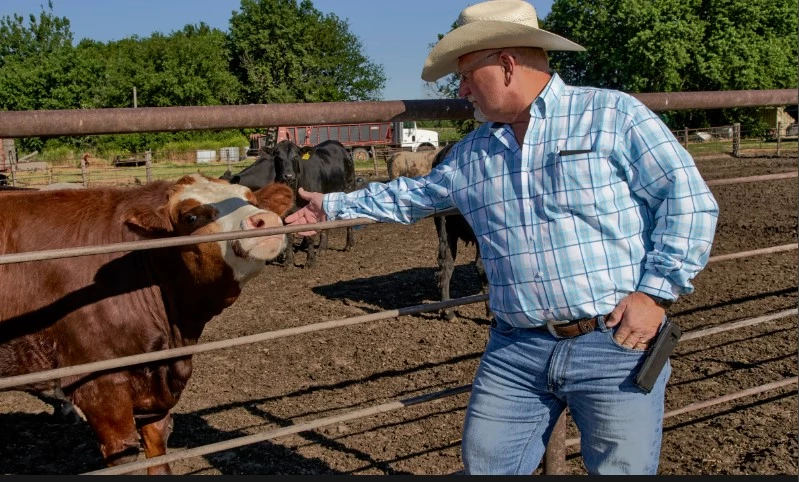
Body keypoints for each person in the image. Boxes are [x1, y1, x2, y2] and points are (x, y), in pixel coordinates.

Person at [285, 0, 719, 475]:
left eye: (467, 74)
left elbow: (689, 202)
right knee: (488, 464)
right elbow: (409, 197)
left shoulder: (611, 115)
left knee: (622, 470)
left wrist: (656, 293)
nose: (462, 88)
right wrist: (329, 205)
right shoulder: (472, 153)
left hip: (614, 340)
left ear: (508, 65)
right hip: (515, 349)